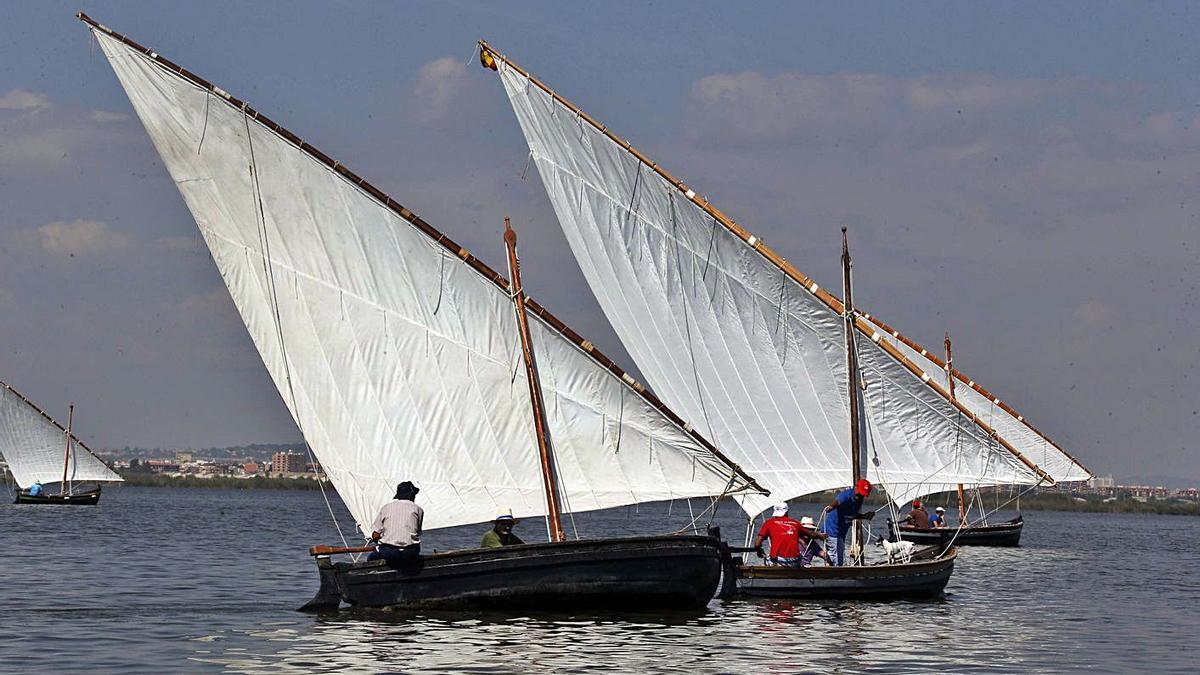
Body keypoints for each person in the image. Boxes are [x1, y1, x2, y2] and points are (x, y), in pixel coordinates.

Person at [368, 481, 423, 569]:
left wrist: (381, 539)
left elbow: (375, 535)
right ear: (412, 495)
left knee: (372, 557)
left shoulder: (386, 508)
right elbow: (417, 532)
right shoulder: (418, 509)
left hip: (389, 552)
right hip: (410, 552)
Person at [821, 479, 875, 566]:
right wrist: (831, 507)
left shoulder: (858, 501)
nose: (860, 496)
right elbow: (838, 502)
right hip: (832, 531)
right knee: (836, 560)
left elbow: (852, 516)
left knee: (839, 559)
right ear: (856, 488)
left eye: (863, 495)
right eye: (860, 493)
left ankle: (835, 573)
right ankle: (833, 576)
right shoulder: (847, 495)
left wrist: (865, 516)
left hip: (841, 534)